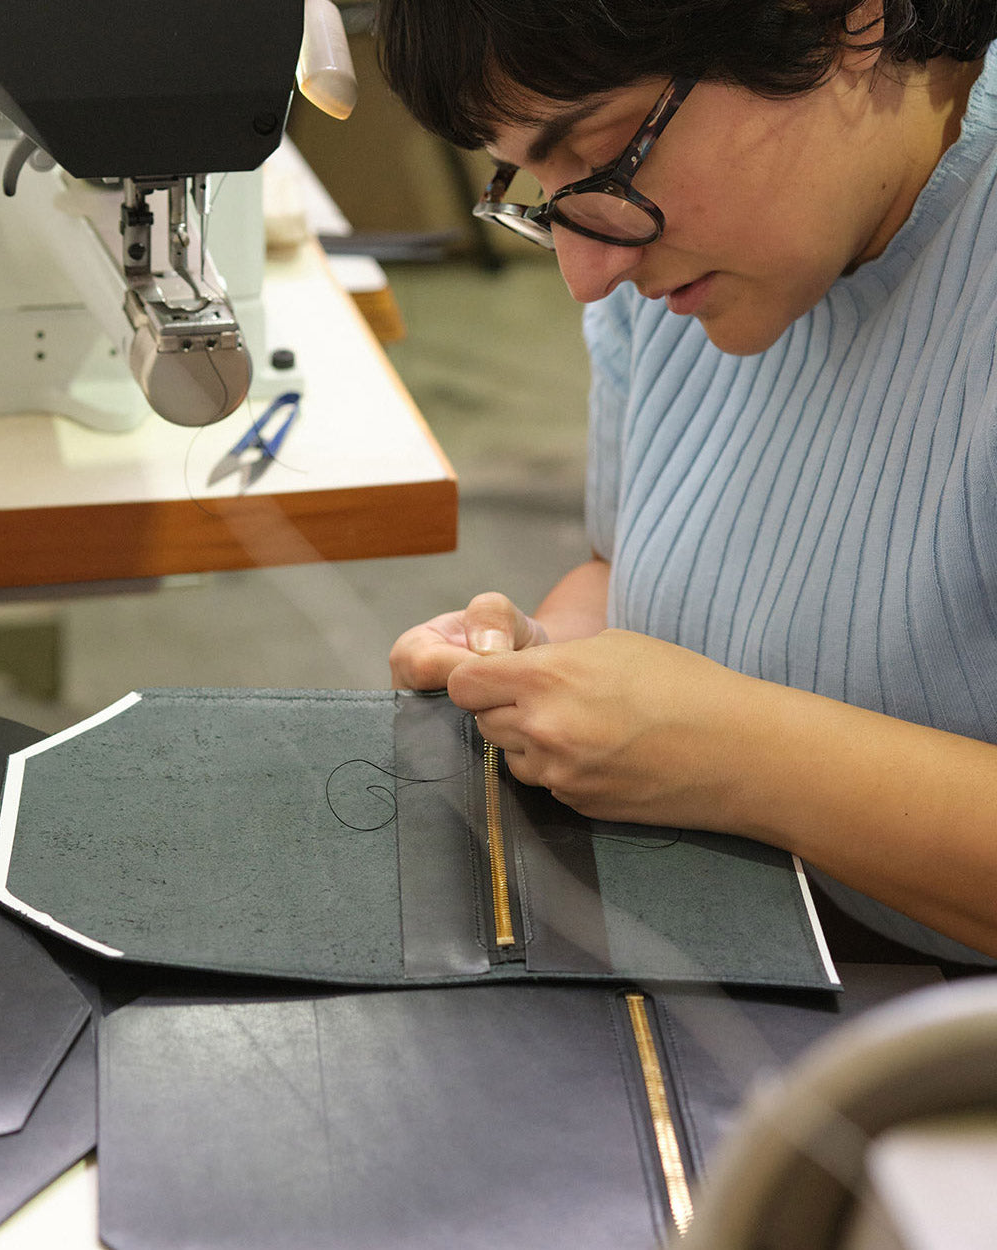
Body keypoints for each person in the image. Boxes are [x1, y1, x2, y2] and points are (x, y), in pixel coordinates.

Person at [377, 0, 997, 961]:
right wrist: (543, 663)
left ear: (846, 25)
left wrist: (737, 756)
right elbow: (619, 565)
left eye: (608, 149)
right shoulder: (673, 263)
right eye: (537, 186)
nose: (586, 273)